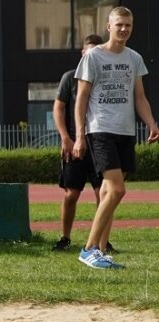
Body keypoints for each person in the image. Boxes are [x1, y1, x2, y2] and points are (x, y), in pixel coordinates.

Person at [73, 6, 159, 269]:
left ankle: (100, 251)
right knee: (118, 189)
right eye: (119, 24)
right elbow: (81, 98)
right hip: (100, 129)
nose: (124, 29)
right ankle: (88, 249)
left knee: (110, 191)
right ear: (108, 26)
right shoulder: (94, 56)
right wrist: (79, 135)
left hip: (125, 131)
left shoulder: (134, 58)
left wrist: (151, 123)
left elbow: (139, 96)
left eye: (128, 25)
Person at [50, 34, 105, 252]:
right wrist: (65, 138)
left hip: (100, 143)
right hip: (75, 143)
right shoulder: (70, 77)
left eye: (95, 51)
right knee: (71, 194)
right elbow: (58, 108)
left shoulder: (105, 78)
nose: (91, 55)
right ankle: (65, 237)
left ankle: (102, 240)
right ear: (83, 53)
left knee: (103, 193)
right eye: (88, 51)